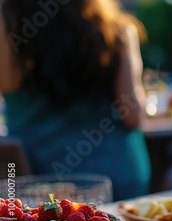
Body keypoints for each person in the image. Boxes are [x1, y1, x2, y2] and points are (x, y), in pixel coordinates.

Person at [0, 0, 151, 201]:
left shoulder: (9, 23)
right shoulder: (116, 29)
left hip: (37, 182)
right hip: (114, 176)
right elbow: (132, 116)